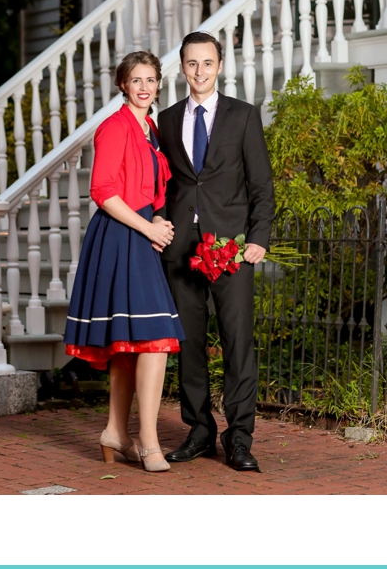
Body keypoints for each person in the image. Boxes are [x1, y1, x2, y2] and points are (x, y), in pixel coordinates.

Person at [156, 31, 275, 472]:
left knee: (237, 343)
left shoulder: (243, 116)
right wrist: (156, 227)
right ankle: (200, 431)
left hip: (233, 249)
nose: (200, 72)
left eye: (207, 63)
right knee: (189, 344)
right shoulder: (166, 121)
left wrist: (258, 237)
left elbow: (262, 185)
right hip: (181, 247)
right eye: (192, 64)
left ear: (219, 66)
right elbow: (165, 185)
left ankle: (240, 438)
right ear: (182, 68)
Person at [64, 50, 183, 473]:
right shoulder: (114, 127)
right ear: (122, 85)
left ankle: (116, 431)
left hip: (140, 234)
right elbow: (103, 190)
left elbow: (151, 189)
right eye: (137, 80)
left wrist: (158, 220)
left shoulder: (149, 128)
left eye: (151, 80)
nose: (145, 87)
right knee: (155, 337)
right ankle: (149, 442)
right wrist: (148, 228)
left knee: (131, 341)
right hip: (120, 237)